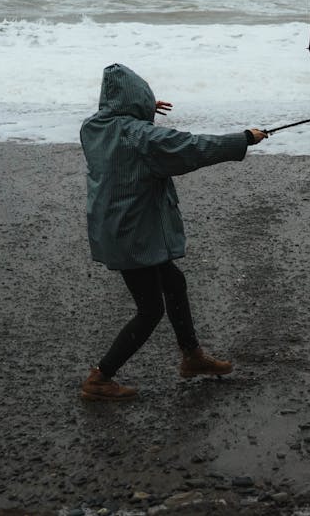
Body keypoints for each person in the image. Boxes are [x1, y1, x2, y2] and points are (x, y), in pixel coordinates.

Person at [78, 63, 268, 401]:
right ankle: (100, 378)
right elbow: (192, 147)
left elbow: (124, 127)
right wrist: (243, 140)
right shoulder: (140, 137)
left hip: (116, 228)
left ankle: (192, 357)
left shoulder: (93, 128)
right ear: (135, 102)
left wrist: (141, 109)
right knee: (150, 310)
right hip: (133, 236)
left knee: (174, 282)